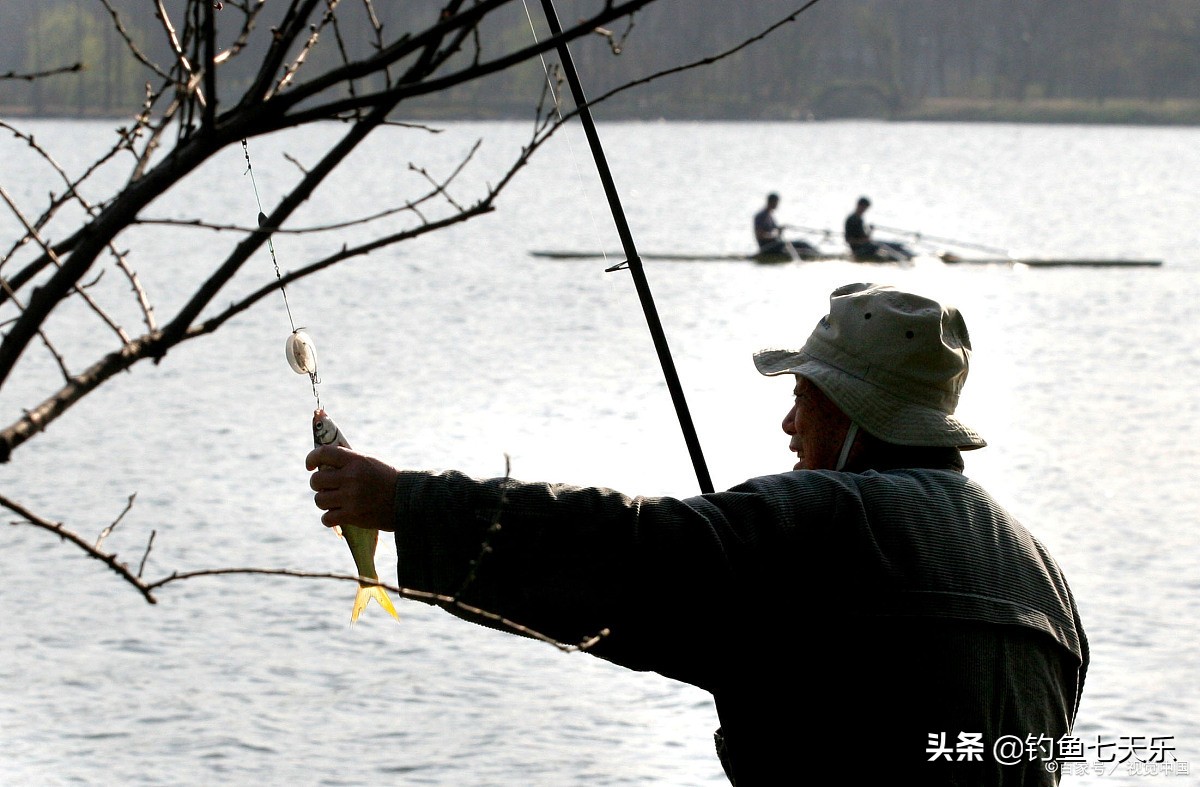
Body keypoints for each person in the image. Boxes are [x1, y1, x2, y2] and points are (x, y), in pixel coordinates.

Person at [307, 283, 1088, 786]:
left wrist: (407, 501)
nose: (789, 422)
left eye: (804, 396)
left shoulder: (820, 522)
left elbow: (623, 546)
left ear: (855, 414)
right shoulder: (1041, 575)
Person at [844, 196, 914, 261]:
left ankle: (905, 252)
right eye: (864, 208)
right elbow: (848, 240)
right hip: (859, 249)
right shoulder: (851, 219)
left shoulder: (860, 219)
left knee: (893, 245)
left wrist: (870, 231)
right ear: (859, 205)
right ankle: (899, 257)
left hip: (865, 245)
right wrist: (862, 241)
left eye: (865, 209)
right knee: (879, 246)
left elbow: (866, 238)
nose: (864, 211)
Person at [753, 192, 819, 260]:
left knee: (803, 244)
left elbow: (775, 229)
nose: (777, 205)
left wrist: (780, 229)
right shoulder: (761, 216)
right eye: (776, 202)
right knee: (800, 244)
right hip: (767, 248)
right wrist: (774, 236)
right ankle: (818, 255)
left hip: (775, 244)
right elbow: (760, 235)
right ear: (771, 202)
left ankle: (817, 254)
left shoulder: (769, 215)